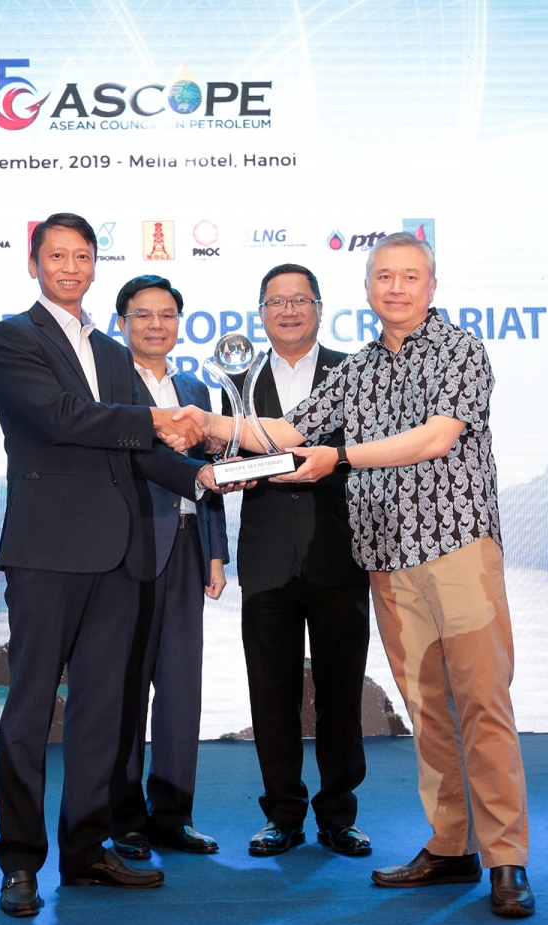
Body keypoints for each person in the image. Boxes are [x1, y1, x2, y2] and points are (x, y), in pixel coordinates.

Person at [171, 231, 535, 918]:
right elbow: (289, 432)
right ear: (367, 290)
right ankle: (451, 846)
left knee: (482, 703)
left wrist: (340, 457)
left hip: (457, 547)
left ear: (431, 286)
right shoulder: (359, 368)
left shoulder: (459, 349)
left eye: (410, 276)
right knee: (428, 710)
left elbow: (437, 437)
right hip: (387, 560)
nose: (396, 288)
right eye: (384, 277)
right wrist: (210, 423)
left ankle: (507, 857)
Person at [0, 213, 219, 918]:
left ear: (93, 264)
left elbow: (142, 452)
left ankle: (85, 852)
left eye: (82, 256)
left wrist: (203, 479)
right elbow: (61, 417)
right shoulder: (12, 339)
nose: (71, 267)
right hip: (47, 552)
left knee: (101, 712)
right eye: (57, 255)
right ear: (34, 263)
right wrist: (154, 422)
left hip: (117, 555)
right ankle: (19, 863)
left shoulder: (113, 354)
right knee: (30, 711)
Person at [222, 264, 372, 859]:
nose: (288, 311)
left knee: (341, 692)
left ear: (319, 308)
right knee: (271, 693)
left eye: (299, 300)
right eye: (276, 302)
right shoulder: (236, 379)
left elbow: (368, 454)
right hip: (265, 560)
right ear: (261, 313)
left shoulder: (353, 372)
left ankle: (339, 815)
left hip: (339, 553)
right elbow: (223, 455)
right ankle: (282, 813)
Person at [109, 275, 230, 860]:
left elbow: (210, 476)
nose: (156, 324)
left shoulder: (194, 389)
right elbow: (130, 460)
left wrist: (215, 550)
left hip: (186, 548)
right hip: (128, 549)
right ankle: (126, 820)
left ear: (179, 323)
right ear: (122, 323)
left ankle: (174, 816)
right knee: (126, 687)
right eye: (143, 314)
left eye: (166, 314)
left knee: (182, 689)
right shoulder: (110, 384)